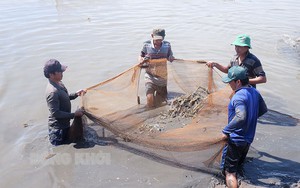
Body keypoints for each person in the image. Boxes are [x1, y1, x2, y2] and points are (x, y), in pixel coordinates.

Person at [220, 66, 267, 188]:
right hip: (248, 139)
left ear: (238, 82)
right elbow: (263, 109)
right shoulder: (255, 92)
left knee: (230, 173)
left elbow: (240, 117)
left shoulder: (238, 96)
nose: (229, 84)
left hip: (236, 140)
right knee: (239, 165)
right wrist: (250, 121)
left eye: (230, 81)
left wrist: (226, 131)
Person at [44, 59, 86, 146]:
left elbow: (65, 98)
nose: (62, 73)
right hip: (58, 130)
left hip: (65, 125)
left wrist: (75, 94)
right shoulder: (52, 92)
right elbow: (55, 113)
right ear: (51, 74)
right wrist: (74, 115)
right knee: (59, 149)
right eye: (60, 72)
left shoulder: (59, 83)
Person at [138, 28, 175, 108]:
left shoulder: (167, 45)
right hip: (150, 75)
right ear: (152, 36)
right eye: (156, 39)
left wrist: (171, 58)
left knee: (161, 100)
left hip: (162, 77)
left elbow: (170, 56)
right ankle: (150, 112)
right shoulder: (146, 45)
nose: (158, 42)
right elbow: (141, 55)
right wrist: (141, 60)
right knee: (149, 97)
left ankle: (157, 113)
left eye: (160, 39)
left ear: (164, 38)